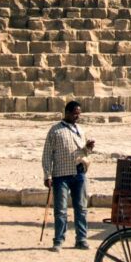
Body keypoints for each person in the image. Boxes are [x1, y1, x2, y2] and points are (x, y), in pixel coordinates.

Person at [42, 101, 98, 249]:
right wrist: (47, 175)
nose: (77, 116)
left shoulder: (80, 130)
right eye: (74, 114)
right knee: (60, 210)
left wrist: (88, 148)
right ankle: (58, 240)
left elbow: (84, 152)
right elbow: (47, 154)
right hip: (61, 175)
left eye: (79, 114)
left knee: (81, 208)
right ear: (66, 113)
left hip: (79, 173)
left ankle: (81, 239)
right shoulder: (55, 130)